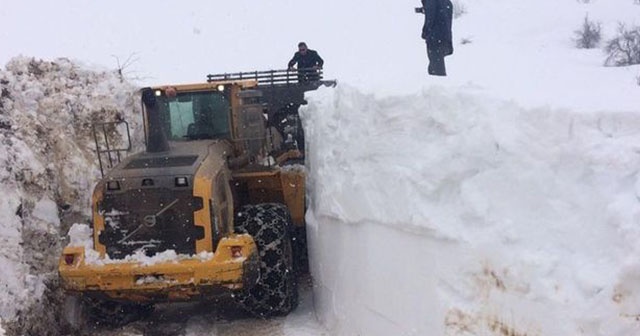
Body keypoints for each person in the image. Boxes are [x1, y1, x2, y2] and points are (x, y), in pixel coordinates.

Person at [420, 0, 453, 76]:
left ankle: (439, 86)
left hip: (435, 38)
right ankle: (439, 85)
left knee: (436, 70)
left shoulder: (431, 1)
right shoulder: (447, 2)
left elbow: (430, 19)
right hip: (445, 38)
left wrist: (425, 32)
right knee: (436, 66)